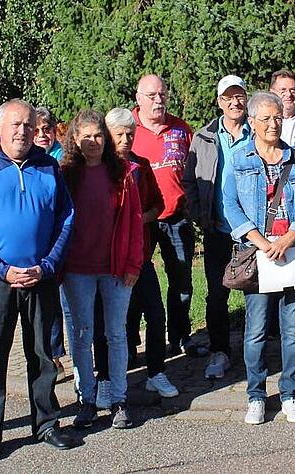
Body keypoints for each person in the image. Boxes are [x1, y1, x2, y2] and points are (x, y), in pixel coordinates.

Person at [0, 99, 76, 461]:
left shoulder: (48, 166)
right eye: (15, 124)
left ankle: (47, 423)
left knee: (42, 353)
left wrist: (48, 265)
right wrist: (0, 268)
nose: (23, 131)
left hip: (40, 277)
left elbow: (65, 219)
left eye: (28, 124)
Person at [222, 92, 295, 425]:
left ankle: (291, 393)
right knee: (257, 329)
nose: (273, 123)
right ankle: (256, 395)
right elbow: (230, 205)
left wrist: (292, 235)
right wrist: (260, 242)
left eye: (277, 117)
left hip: (292, 252)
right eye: (265, 118)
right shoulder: (238, 158)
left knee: (292, 330)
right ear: (251, 122)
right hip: (259, 254)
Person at [60, 109, 143, 430]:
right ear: (75, 140)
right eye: (86, 136)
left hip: (116, 269)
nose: (93, 141)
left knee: (116, 334)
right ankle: (87, 399)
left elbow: (135, 221)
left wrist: (134, 263)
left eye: (98, 135)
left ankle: (120, 400)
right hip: (76, 269)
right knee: (81, 336)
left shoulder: (121, 172)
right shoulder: (65, 173)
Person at [94, 108, 177, 398]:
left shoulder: (141, 166)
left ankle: (156, 372)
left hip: (139, 256)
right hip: (105, 260)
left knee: (156, 316)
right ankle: (104, 378)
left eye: (131, 133)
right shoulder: (98, 169)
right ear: (108, 135)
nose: (126, 139)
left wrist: (140, 217)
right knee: (107, 323)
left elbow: (159, 204)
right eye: (120, 134)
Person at [183, 75, 253, 379]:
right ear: (219, 102)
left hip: (253, 231)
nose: (235, 103)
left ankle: (256, 351)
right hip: (218, 228)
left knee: (257, 295)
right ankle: (220, 351)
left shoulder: (259, 131)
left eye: (239, 96)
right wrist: (200, 215)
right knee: (216, 295)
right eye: (228, 98)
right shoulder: (204, 136)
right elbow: (190, 180)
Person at [130, 74, 201, 357]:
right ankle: (130, 340)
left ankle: (180, 336)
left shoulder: (181, 129)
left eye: (162, 94)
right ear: (138, 98)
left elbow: (196, 172)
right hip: (141, 222)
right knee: (132, 280)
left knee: (181, 281)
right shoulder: (128, 129)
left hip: (176, 218)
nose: (158, 100)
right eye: (151, 95)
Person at [34, 106, 69, 379]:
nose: (43, 134)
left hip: (66, 238)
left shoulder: (65, 157)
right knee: (49, 304)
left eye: (47, 128)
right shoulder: (30, 159)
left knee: (67, 302)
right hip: (41, 242)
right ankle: (53, 355)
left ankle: (67, 353)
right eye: (37, 130)